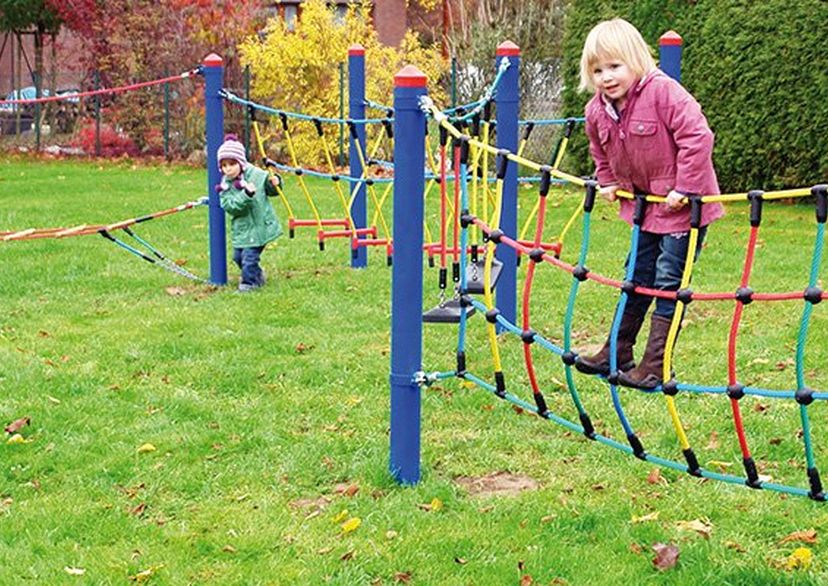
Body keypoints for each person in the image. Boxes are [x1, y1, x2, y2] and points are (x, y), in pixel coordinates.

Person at [573, 18, 724, 389]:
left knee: (668, 280)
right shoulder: (597, 110)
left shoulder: (664, 93)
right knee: (637, 276)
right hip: (645, 207)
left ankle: (655, 363)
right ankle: (617, 351)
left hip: (683, 209)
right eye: (597, 70)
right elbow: (600, 150)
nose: (606, 77)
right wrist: (607, 180)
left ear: (637, 60)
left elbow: (698, 137)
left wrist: (685, 187)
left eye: (614, 66)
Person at [216, 134, 283, 292]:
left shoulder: (256, 174)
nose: (228, 169)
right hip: (243, 228)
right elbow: (230, 206)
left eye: (232, 164)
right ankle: (258, 276)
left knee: (249, 258)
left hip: (260, 227)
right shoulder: (225, 186)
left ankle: (249, 285)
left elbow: (271, 189)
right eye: (224, 166)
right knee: (238, 257)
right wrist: (246, 195)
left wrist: (275, 182)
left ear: (241, 162)